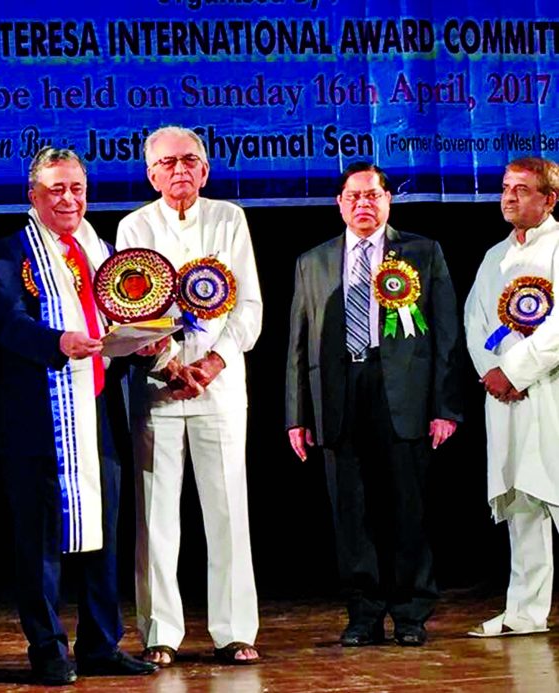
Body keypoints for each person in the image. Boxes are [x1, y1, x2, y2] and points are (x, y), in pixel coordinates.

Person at [0, 147, 159, 686]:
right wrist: (58, 340)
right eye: (56, 189)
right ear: (33, 196)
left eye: (77, 188)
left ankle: (102, 645)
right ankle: (48, 648)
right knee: (39, 539)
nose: (68, 199)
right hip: (39, 414)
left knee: (103, 531)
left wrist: (142, 340)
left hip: (97, 408)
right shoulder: (8, 252)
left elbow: (119, 315)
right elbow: (7, 324)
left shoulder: (101, 251)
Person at [285, 162, 462, 647]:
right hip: (338, 396)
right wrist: (297, 415)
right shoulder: (313, 261)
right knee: (351, 513)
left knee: (408, 509)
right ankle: (363, 612)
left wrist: (444, 406)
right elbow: (298, 344)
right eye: (353, 197)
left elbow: (445, 335)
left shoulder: (423, 253)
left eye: (373, 195)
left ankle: (410, 613)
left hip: (401, 394)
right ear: (340, 203)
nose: (363, 204)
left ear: (388, 201)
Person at [115, 125, 263, 665]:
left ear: (206, 169)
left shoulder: (230, 218)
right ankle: (160, 633)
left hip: (219, 387)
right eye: (169, 163)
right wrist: (169, 363)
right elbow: (128, 308)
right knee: (155, 515)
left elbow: (248, 306)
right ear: (151, 173)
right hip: (157, 386)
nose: (181, 170)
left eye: (191, 161)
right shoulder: (135, 225)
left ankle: (235, 629)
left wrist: (212, 362)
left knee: (228, 510)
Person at [464, 157, 559, 638]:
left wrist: (518, 370)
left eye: (522, 189)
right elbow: (475, 321)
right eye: (505, 188)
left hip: (551, 392)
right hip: (506, 400)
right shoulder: (492, 258)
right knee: (521, 501)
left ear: (549, 198)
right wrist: (494, 374)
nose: (509, 197)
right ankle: (525, 611)